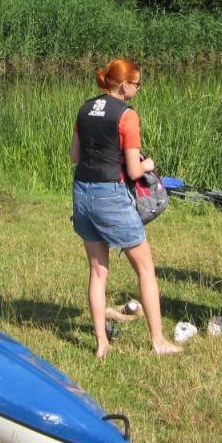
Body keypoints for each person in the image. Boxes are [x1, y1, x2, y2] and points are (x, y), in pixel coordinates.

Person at [70, 58, 181, 359]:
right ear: (124, 84)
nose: (139, 88)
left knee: (97, 271)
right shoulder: (127, 116)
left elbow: (75, 155)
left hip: (82, 192)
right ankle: (158, 341)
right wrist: (149, 164)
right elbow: (133, 171)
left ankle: (102, 343)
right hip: (111, 195)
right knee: (145, 269)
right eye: (137, 83)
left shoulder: (84, 108)